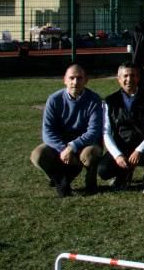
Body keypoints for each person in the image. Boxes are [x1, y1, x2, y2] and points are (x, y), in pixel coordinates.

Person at [30, 64, 103, 197]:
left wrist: (72, 147)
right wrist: (63, 149)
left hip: (86, 144)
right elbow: (47, 131)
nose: (75, 82)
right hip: (61, 144)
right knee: (37, 155)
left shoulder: (94, 100)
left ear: (86, 80)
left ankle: (90, 183)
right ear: (64, 80)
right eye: (71, 78)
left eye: (79, 78)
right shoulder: (54, 99)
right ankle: (58, 179)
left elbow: (94, 131)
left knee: (91, 154)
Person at [99, 63, 144, 193]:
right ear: (119, 79)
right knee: (103, 170)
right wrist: (117, 155)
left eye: (133, 75)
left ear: (139, 78)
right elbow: (106, 132)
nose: (129, 79)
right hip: (122, 146)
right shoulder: (110, 101)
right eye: (125, 76)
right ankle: (124, 173)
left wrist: (139, 150)